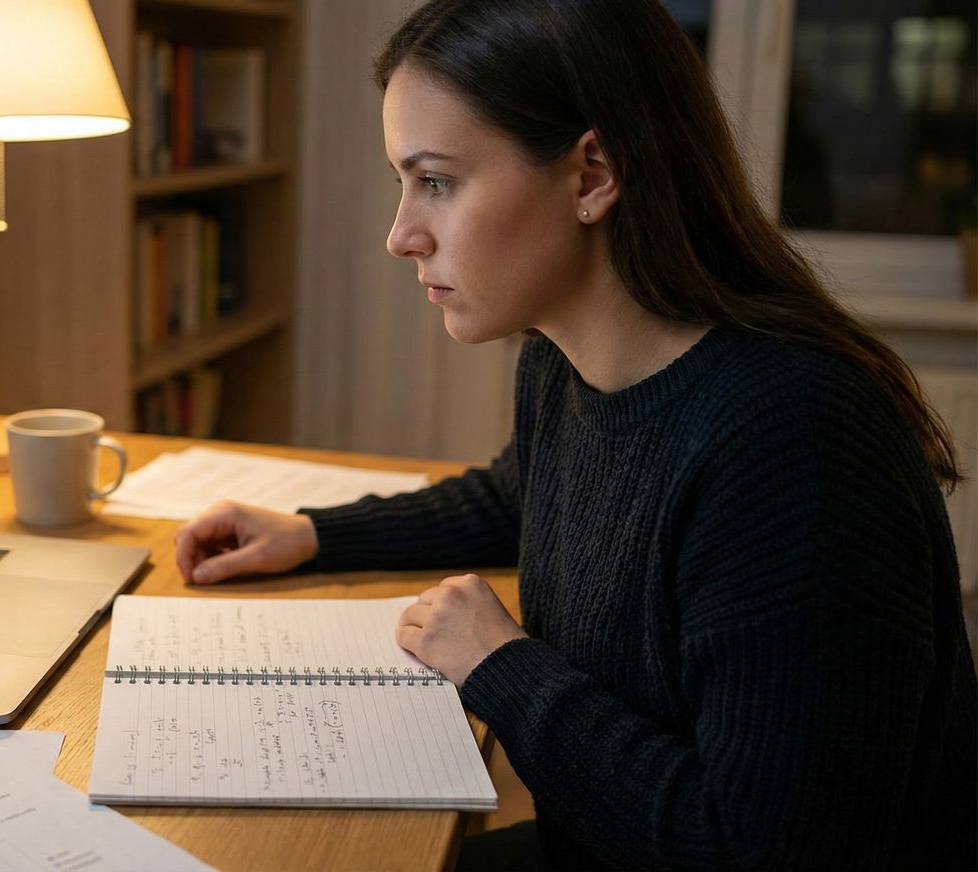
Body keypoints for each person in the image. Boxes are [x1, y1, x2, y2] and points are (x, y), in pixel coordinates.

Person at [172, 1, 977, 869]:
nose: (402, 234)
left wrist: (502, 666)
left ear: (592, 175)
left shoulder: (793, 443)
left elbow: (755, 851)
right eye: (403, 182)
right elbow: (523, 493)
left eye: (436, 181)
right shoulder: (566, 361)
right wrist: (312, 533)